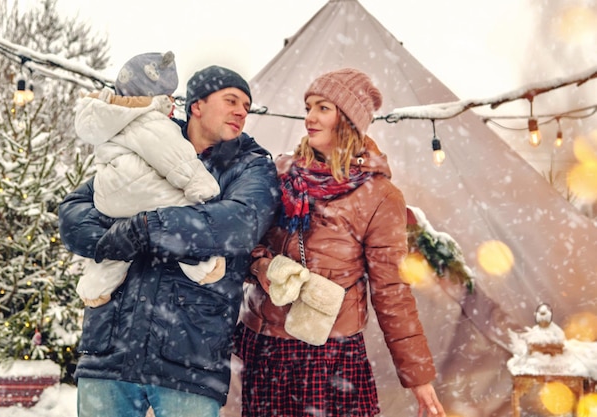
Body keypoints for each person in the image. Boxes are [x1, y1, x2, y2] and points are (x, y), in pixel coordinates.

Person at [59, 64, 280, 417]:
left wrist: (149, 227)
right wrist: (111, 240)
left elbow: (238, 224)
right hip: (109, 350)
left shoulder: (250, 167)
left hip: (189, 358)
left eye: (246, 106)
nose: (242, 111)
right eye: (231, 100)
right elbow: (74, 213)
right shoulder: (143, 141)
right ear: (197, 105)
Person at [235, 68, 446, 417]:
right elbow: (242, 242)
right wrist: (261, 265)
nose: (309, 118)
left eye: (322, 108)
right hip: (269, 346)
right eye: (308, 107)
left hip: (331, 355)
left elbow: (391, 290)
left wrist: (418, 378)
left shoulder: (379, 196)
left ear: (346, 120)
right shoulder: (280, 175)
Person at [73, 51, 225, 307]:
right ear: (154, 95)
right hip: (136, 188)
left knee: (118, 242)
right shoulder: (149, 120)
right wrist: (204, 189)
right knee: (183, 214)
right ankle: (201, 265)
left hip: (107, 193)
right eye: (167, 95)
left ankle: (94, 288)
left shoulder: (113, 116)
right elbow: (177, 159)